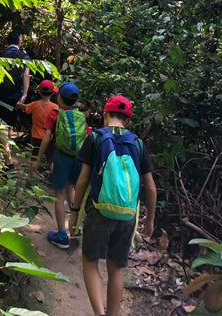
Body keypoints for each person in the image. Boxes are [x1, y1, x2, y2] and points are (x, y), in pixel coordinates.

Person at [68, 95, 156, 316]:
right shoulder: (138, 143)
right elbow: (151, 188)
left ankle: (100, 313)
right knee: (116, 267)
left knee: (90, 260)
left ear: (105, 115)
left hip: (98, 211)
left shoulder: (95, 138)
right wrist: (150, 220)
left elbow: (82, 180)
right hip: (128, 215)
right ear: (127, 121)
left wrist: (75, 212)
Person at [35, 82, 91, 249]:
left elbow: (46, 138)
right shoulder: (80, 116)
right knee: (71, 187)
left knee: (59, 194)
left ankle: (61, 236)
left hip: (62, 157)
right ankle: (74, 227)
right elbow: (88, 138)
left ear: (59, 97)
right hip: (78, 158)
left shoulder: (55, 114)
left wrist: (38, 159)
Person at [0, 31, 30, 170]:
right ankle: (8, 161)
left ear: (7, 42)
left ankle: (2, 156)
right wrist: (25, 94)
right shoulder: (24, 57)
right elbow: (26, 75)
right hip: (15, 97)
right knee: (8, 126)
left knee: (1, 125)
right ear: (20, 43)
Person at [16, 80, 59, 177]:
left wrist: (19, 104)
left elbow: (25, 108)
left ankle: (32, 179)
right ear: (52, 93)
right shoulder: (55, 107)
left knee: (34, 158)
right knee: (50, 159)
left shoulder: (35, 104)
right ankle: (57, 179)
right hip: (49, 138)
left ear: (39, 92)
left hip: (36, 137)